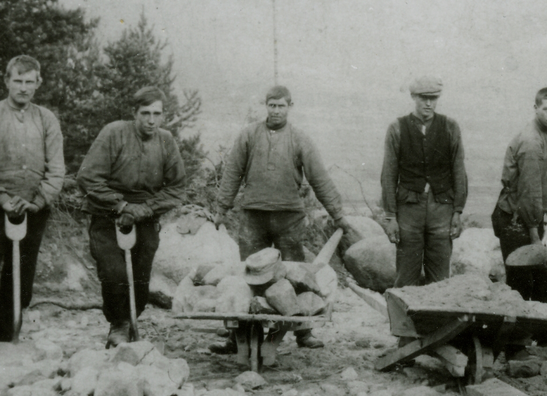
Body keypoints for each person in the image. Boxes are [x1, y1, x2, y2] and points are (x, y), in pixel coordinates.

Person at [211, 84, 348, 350]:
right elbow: (232, 174)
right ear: (266, 106)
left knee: (296, 275)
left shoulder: (300, 139)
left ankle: (302, 332)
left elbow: (319, 178)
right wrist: (221, 209)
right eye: (271, 105)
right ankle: (236, 337)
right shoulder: (248, 135)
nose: (275, 111)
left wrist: (338, 214)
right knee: (248, 276)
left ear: (290, 106)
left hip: (289, 218)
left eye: (281, 106)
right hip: (253, 216)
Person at [0, 55, 65, 364]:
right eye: (18, 80)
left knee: (20, 285)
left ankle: (4, 345)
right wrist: (2, 198)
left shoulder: (46, 120)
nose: (23, 87)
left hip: (32, 211)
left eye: (30, 81)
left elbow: (56, 170)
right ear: (7, 81)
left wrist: (38, 200)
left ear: (38, 84)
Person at [76, 86, 187, 348]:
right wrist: (121, 205)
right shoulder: (114, 133)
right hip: (106, 213)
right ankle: (119, 325)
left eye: (156, 114)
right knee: (114, 272)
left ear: (163, 115)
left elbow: (176, 187)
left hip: (146, 215)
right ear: (134, 113)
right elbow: (87, 177)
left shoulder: (166, 141)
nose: (151, 120)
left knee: (141, 275)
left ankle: (131, 321)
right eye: (145, 113)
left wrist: (147, 209)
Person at [492, 87, 547, 351]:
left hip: (528, 216)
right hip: (517, 221)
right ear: (536, 108)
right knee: (520, 282)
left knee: (544, 280)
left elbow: (539, 184)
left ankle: (545, 336)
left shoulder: (545, 136)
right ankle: (515, 347)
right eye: (546, 109)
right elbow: (528, 192)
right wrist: (534, 237)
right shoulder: (531, 142)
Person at [379, 76, 468, 287]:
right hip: (409, 209)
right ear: (413, 97)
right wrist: (390, 216)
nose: (428, 103)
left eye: (433, 98)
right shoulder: (397, 128)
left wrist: (457, 211)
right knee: (406, 276)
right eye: (423, 98)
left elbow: (459, 171)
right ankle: (404, 319)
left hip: (442, 210)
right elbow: (389, 175)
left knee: (440, 279)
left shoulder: (450, 127)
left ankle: (436, 320)